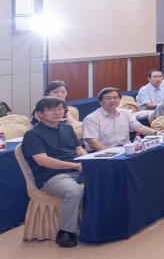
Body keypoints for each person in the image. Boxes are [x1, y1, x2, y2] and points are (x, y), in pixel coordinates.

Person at [21, 96, 86, 247]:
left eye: (60, 108)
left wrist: (87, 159)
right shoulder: (33, 135)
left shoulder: (67, 128)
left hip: (78, 169)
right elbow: (43, 161)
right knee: (74, 191)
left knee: (105, 179)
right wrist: (75, 166)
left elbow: (79, 149)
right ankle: (66, 232)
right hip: (52, 176)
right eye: (51, 109)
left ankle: (97, 223)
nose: (57, 112)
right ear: (40, 114)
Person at [83, 87, 157, 152]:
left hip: (124, 150)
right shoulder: (91, 118)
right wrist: (110, 154)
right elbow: (93, 142)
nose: (112, 100)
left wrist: (156, 132)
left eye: (115, 97)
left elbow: (139, 127)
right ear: (100, 102)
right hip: (102, 153)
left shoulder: (125, 112)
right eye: (108, 98)